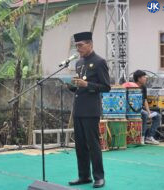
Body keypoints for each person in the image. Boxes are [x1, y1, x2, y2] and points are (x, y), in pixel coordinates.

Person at [68, 32, 110, 188]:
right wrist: (73, 86)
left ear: (90, 44)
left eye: (80, 45)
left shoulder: (99, 62)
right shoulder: (78, 63)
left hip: (91, 110)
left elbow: (106, 87)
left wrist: (87, 85)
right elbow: (80, 86)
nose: (78, 49)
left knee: (93, 145)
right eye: (76, 45)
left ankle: (99, 177)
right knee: (80, 145)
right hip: (78, 109)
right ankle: (84, 176)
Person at [133, 70, 161, 145]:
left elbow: (145, 100)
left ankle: (149, 137)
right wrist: (146, 113)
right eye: (144, 77)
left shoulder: (143, 87)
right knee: (144, 114)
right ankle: (142, 137)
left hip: (142, 109)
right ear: (139, 79)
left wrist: (149, 112)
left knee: (157, 116)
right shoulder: (131, 87)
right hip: (133, 110)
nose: (146, 78)